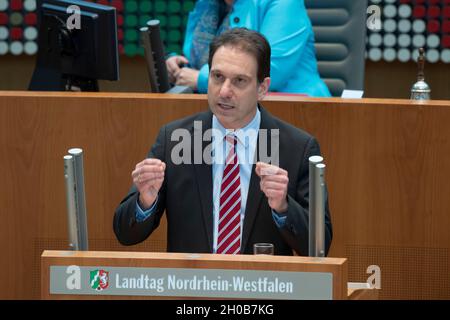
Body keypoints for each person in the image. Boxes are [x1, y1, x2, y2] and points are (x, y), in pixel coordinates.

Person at [114, 28, 333, 256]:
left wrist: (283, 207)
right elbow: (125, 234)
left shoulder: (297, 148)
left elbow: (319, 246)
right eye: (217, 77)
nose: (225, 91)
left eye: (239, 81)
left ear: (262, 88)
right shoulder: (176, 139)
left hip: (263, 287)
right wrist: (144, 202)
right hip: (191, 287)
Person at [166, 0, 331, 97]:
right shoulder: (206, 4)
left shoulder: (285, 3)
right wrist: (179, 66)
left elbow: (270, 71)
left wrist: (201, 79)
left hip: (298, 109)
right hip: (227, 111)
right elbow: (200, 59)